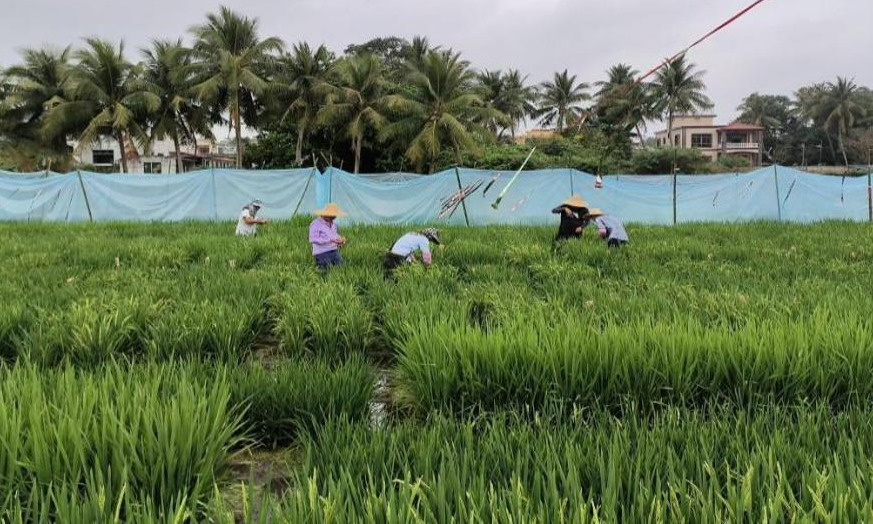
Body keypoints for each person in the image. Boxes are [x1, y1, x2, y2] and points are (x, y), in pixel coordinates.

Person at [309, 203, 347, 269]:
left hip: (334, 251)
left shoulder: (333, 225)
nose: (334, 218)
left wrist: (340, 239)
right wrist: (329, 240)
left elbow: (334, 235)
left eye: (334, 216)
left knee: (342, 267)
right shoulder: (316, 224)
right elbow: (313, 239)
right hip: (322, 253)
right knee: (326, 270)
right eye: (332, 216)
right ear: (325, 214)